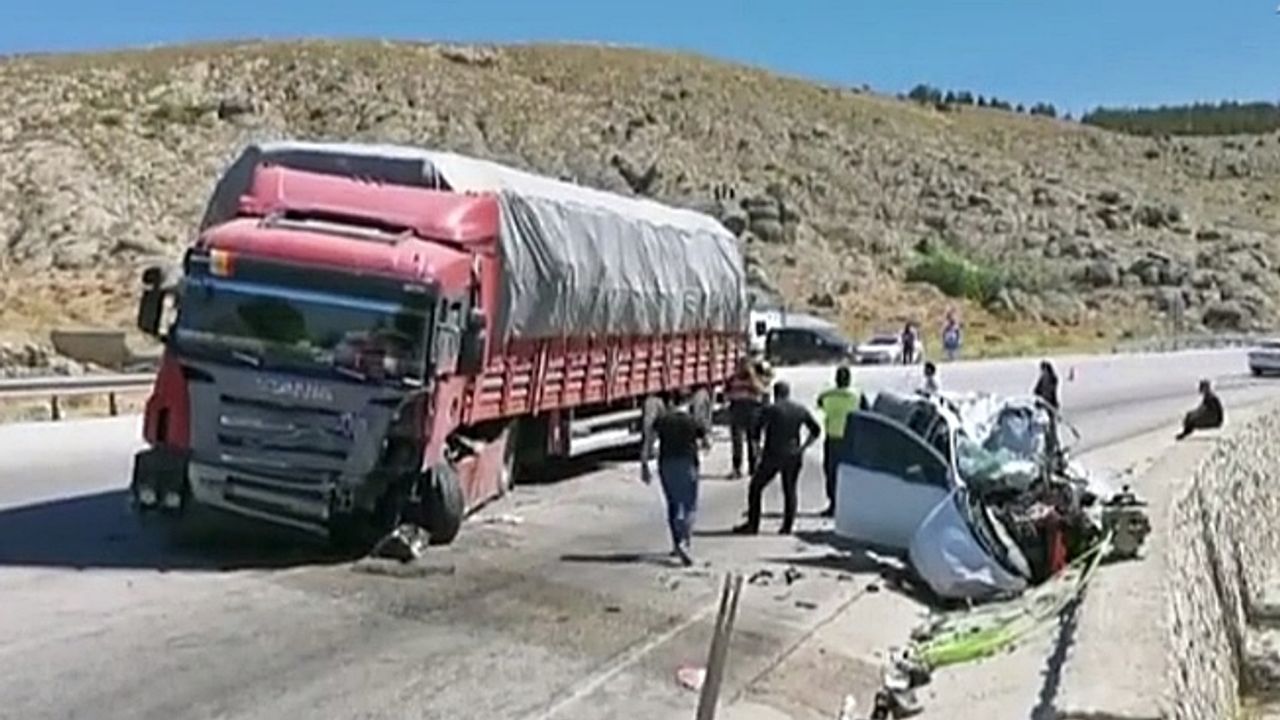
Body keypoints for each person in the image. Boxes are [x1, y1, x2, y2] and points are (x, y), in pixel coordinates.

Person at [733, 381, 821, 536]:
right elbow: (816, 430)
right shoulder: (799, 409)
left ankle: (753, 524)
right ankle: (787, 527)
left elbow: (755, 430)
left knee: (756, 487)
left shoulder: (771, 410)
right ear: (788, 393)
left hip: (773, 454)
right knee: (790, 490)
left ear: (775, 394)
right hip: (793, 454)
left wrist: (757, 449)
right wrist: (804, 447)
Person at [640, 389, 708, 566]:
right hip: (687, 464)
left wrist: (644, 464)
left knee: (673, 504)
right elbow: (705, 439)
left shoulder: (662, 421)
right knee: (689, 505)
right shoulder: (691, 421)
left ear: (670, 403)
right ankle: (685, 541)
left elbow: (649, 440)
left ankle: (677, 541)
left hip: (666, 464)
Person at [816, 366, 868, 518]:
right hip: (851, 439)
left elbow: (819, 405)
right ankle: (850, 505)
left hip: (832, 439)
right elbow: (866, 413)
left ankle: (833, 505)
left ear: (836, 379)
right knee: (850, 473)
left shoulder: (826, 395)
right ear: (849, 380)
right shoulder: (857, 395)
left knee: (831, 473)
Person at [725, 356, 766, 479]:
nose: (743, 368)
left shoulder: (756, 377)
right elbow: (725, 393)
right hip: (737, 409)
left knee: (752, 440)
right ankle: (737, 468)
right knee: (737, 441)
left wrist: (752, 376)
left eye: (746, 365)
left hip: (752, 410)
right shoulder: (732, 378)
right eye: (741, 366)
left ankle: (753, 467)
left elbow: (761, 390)